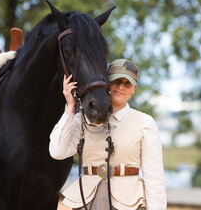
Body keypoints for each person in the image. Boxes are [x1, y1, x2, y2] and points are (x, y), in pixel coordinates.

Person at [49, 59, 167, 210]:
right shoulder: (83, 118)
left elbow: (154, 177)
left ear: (134, 88)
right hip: (87, 200)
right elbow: (57, 151)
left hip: (129, 202)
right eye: (116, 81)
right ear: (106, 82)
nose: (120, 87)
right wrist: (70, 107)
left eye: (127, 83)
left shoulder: (145, 123)